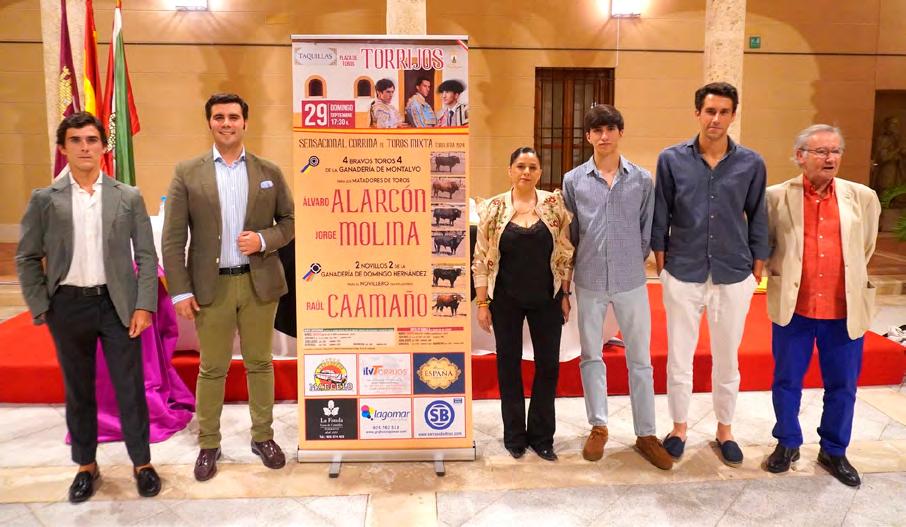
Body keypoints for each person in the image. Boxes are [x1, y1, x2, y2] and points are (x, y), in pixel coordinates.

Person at [16, 112, 161, 502]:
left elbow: (146, 256)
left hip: (117, 305)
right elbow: (27, 256)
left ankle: (142, 463)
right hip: (67, 307)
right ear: (63, 148)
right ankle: (86, 466)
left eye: (92, 140)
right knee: (78, 389)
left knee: (130, 388)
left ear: (103, 146)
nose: (84, 147)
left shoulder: (127, 196)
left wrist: (144, 305)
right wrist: (41, 305)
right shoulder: (45, 199)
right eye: (76, 140)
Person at [162, 93, 295, 481]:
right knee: (212, 367)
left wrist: (264, 239)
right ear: (209, 123)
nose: (226, 123)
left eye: (233, 117)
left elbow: (289, 221)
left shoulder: (268, 170)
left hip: (258, 285)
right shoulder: (188, 172)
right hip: (211, 287)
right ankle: (209, 443)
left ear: (245, 122)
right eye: (219, 117)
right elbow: (173, 238)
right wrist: (180, 291)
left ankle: (263, 437)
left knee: (260, 363)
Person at [652, 82, 769, 466]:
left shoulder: (751, 163)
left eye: (723, 112)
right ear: (697, 113)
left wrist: (756, 268)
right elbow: (661, 212)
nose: (716, 118)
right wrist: (662, 264)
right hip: (682, 271)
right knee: (679, 357)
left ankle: (725, 429)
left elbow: (758, 215)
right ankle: (679, 427)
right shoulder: (671, 159)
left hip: (733, 273)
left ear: (733, 115)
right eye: (709, 111)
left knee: (727, 358)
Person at [763, 125, 881, 487]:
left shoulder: (862, 197)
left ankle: (834, 449)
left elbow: (865, 248)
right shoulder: (776, 197)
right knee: (786, 381)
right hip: (794, 307)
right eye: (821, 151)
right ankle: (787, 442)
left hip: (843, 309)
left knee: (843, 386)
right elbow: (768, 244)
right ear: (800, 156)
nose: (830, 158)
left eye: (835, 151)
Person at [561, 105, 672, 470]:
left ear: (621, 132)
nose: (604, 136)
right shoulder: (573, 180)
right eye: (597, 130)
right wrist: (569, 281)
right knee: (591, 355)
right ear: (588, 136)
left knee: (640, 359)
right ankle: (599, 426)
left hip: (630, 281)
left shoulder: (641, 179)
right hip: (590, 279)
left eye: (610, 129)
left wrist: (631, 259)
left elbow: (646, 228)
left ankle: (646, 433)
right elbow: (571, 235)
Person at [472, 147, 574, 462]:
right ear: (510, 170)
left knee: (548, 366)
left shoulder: (555, 206)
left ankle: (542, 438)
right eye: (520, 166)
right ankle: (514, 436)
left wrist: (565, 294)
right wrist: (482, 302)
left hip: (547, 298)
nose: (526, 172)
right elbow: (480, 259)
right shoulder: (493, 209)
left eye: (532, 167)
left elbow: (565, 253)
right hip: (505, 300)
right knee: (508, 366)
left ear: (540, 172)